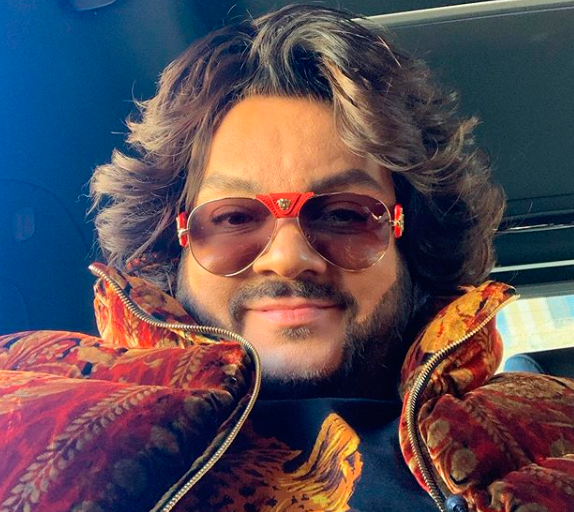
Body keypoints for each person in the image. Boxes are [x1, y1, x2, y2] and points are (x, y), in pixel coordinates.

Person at [1, 5, 573, 512]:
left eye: (345, 214)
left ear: (410, 242)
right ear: (172, 246)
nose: (288, 257)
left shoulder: (556, 433)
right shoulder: (23, 409)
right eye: (234, 218)